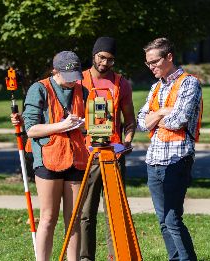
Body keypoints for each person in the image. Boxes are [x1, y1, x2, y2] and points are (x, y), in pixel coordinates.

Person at [12, 51, 89, 261]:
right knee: (48, 218)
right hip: (49, 160)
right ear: (55, 70)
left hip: (77, 159)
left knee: (73, 219)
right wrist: (62, 126)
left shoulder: (83, 91)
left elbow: (87, 127)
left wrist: (84, 128)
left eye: (76, 75)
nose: (74, 81)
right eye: (69, 76)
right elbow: (32, 130)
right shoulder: (39, 89)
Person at [137, 37, 202, 261]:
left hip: (177, 159)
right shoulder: (156, 87)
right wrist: (163, 111)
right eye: (148, 63)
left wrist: (156, 117)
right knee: (163, 219)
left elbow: (179, 120)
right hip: (153, 160)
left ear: (169, 57)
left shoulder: (189, 83)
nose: (151, 67)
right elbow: (141, 122)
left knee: (173, 218)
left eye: (154, 62)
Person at [80, 36, 136, 261]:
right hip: (88, 155)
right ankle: (85, 258)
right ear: (94, 55)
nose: (104, 63)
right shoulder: (79, 80)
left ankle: (117, 257)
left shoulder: (121, 83)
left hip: (114, 155)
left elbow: (130, 120)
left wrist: (128, 141)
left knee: (115, 212)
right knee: (86, 213)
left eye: (110, 60)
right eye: (101, 57)